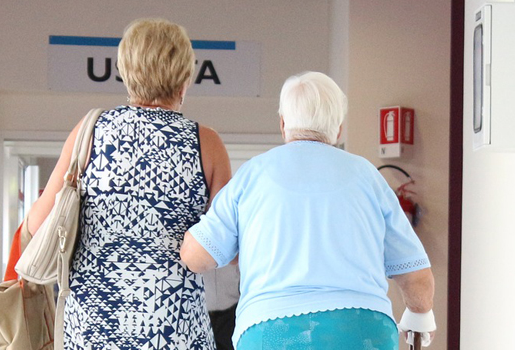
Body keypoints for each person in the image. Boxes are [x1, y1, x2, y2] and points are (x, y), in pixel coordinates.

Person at [180, 72, 437, 349]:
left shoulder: (253, 174)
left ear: (282, 124)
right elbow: (415, 273)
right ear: (338, 128)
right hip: (362, 330)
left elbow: (198, 258)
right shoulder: (367, 176)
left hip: (271, 331)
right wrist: (419, 315)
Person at [19, 18, 231, 349]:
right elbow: (226, 245)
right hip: (175, 332)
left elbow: (36, 222)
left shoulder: (90, 131)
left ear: (125, 71)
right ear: (185, 79)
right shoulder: (206, 144)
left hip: (92, 331)